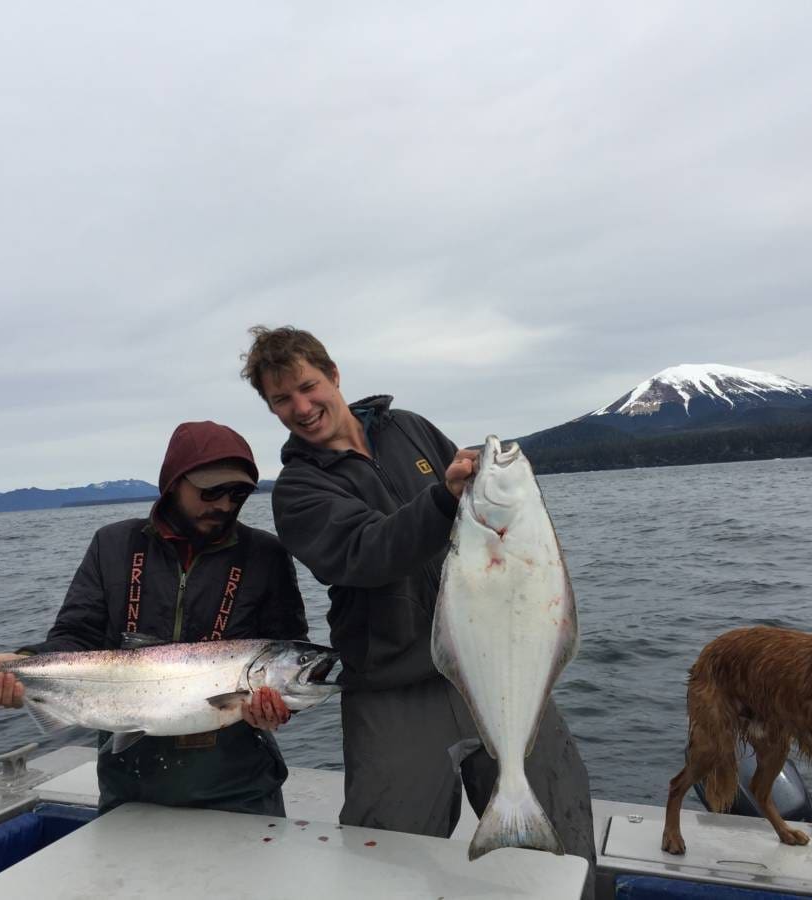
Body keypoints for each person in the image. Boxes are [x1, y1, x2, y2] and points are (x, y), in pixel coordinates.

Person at [240, 326, 597, 895]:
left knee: (561, 831)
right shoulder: (297, 490)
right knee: (386, 858)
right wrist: (442, 498)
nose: (301, 408)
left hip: (495, 664)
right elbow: (366, 553)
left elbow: (474, 506)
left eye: (308, 387)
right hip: (393, 686)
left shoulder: (409, 428)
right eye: (282, 399)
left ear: (334, 375)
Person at [0, 420, 308, 817]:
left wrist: (279, 708)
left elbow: (288, 657)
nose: (224, 504)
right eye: (210, 491)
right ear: (173, 483)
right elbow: (76, 634)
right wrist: (26, 662)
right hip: (129, 784)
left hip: (241, 786)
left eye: (238, 493)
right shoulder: (113, 545)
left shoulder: (266, 555)